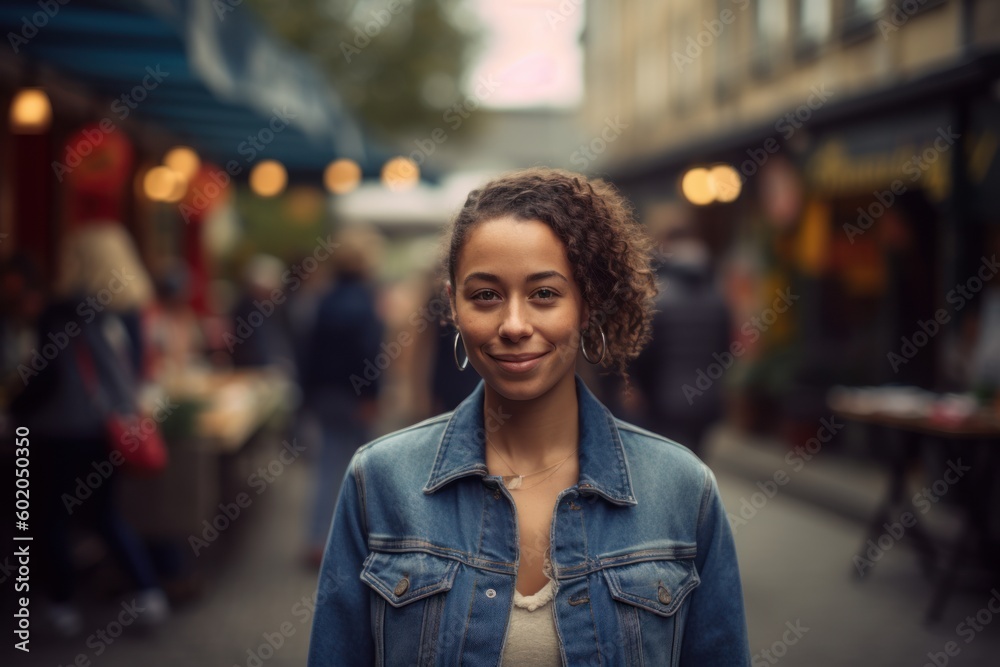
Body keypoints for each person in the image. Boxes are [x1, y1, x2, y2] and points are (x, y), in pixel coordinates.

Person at [307, 168, 750, 666]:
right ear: (452, 305)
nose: (514, 325)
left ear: (588, 305)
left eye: (544, 294)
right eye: (486, 295)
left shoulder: (682, 489)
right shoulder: (381, 481)